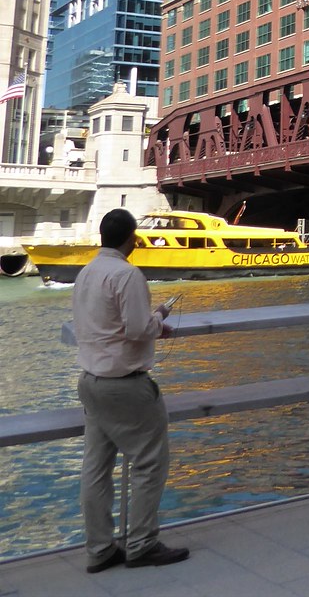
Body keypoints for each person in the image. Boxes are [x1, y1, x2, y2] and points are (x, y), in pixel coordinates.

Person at [72, 208, 190, 573]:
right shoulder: (127, 274)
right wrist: (159, 318)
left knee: (95, 469)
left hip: (90, 382)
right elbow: (139, 329)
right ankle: (141, 543)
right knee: (150, 462)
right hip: (125, 386)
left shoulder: (85, 273)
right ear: (131, 238)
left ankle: (100, 549)